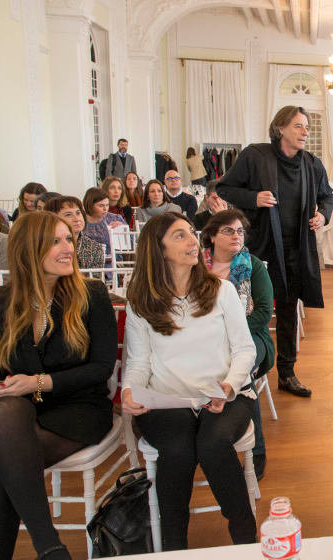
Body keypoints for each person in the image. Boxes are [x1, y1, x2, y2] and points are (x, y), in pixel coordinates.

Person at [121, 212, 258, 550]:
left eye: (192, 234)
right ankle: (173, 546)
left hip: (227, 393)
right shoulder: (142, 300)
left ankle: (245, 537)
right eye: (180, 236)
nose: (193, 241)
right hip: (169, 399)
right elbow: (138, 362)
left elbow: (245, 350)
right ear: (158, 248)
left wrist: (227, 386)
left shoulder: (220, 290)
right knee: (178, 449)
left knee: (212, 444)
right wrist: (128, 390)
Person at [0, 211, 117, 560]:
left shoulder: (92, 294)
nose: (68, 248)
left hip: (79, 410)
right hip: (21, 413)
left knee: (4, 458)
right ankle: (51, 550)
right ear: (28, 250)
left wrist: (38, 381)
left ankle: (49, 548)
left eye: (69, 239)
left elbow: (101, 369)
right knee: (6, 417)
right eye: (55, 241)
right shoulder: (3, 302)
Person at [218, 105, 333, 398]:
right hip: (261, 248)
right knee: (249, 308)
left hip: (297, 249)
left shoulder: (311, 163)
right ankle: (245, 369)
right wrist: (253, 198)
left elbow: (326, 196)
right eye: (298, 126)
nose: (305, 132)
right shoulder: (256, 156)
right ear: (280, 128)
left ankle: (287, 372)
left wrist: (323, 216)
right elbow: (225, 188)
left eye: (307, 127)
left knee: (287, 311)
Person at [201, 209, 275, 481]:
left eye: (240, 231)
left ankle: (256, 450)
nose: (236, 236)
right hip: (206, 338)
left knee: (241, 371)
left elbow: (263, 312)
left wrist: (233, 336)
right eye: (228, 231)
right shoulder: (197, 265)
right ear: (211, 236)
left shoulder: (251, 264)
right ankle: (207, 435)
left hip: (251, 336)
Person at [45, 196, 107, 270]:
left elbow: (95, 280)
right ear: (53, 219)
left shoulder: (94, 247)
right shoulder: (46, 245)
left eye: (78, 213)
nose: (77, 219)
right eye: (68, 214)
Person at [81, 188, 126, 262]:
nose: (105, 208)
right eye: (101, 206)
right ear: (90, 205)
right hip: (87, 264)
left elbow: (131, 242)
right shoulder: (80, 221)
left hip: (113, 263)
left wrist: (123, 229)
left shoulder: (115, 218)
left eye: (107, 205)